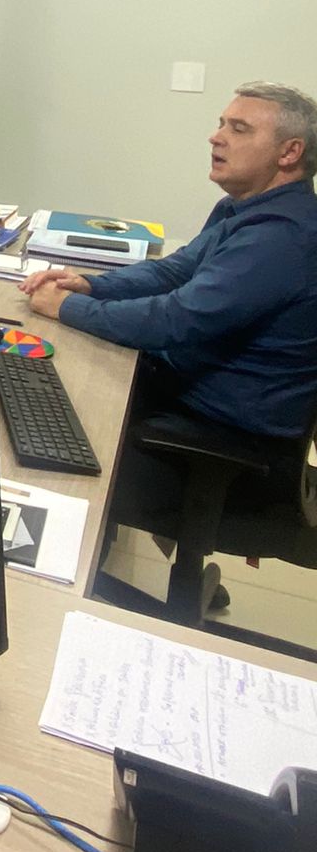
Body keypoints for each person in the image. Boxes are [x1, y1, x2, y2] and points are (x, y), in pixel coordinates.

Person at [21, 82, 317, 530]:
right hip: (186, 395)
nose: (216, 137)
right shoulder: (243, 208)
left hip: (225, 442)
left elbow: (173, 320)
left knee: (39, 450)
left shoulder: (283, 237)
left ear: (289, 152)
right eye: (221, 124)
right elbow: (174, 272)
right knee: (45, 388)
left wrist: (64, 308)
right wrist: (89, 285)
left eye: (238, 129)